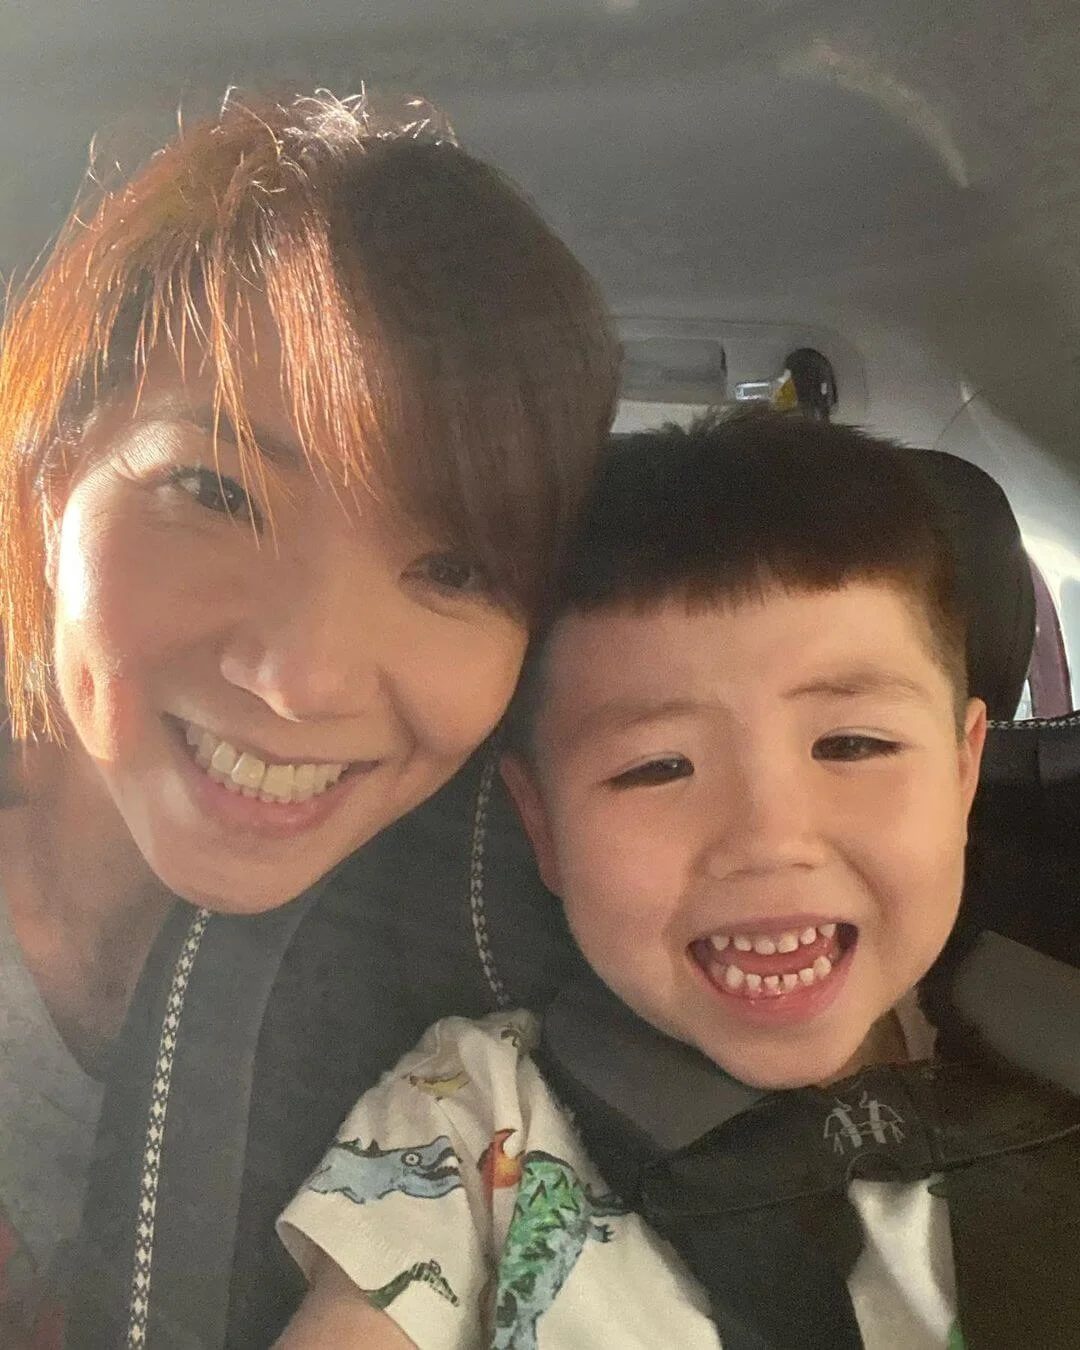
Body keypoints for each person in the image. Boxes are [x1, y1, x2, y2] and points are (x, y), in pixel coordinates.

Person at [0, 89, 618, 1348]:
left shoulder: (520, 991)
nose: (304, 680)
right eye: (216, 491)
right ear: (52, 478)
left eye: (453, 568)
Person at [275, 411, 1079, 1349]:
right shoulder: (467, 1121)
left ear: (963, 770)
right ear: (542, 826)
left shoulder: (1052, 1029)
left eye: (852, 745)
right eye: (656, 768)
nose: (768, 840)